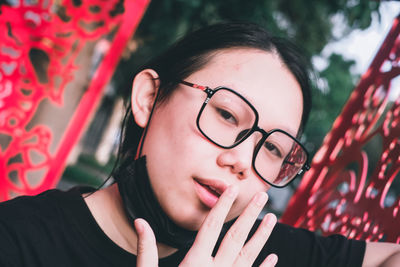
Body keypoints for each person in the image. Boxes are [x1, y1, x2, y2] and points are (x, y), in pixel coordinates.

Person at [0, 22, 399, 267]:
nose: (244, 161)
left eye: (274, 150)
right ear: (148, 98)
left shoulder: (258, 249)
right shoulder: (18, 240)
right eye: (227, 115)